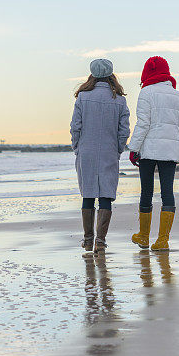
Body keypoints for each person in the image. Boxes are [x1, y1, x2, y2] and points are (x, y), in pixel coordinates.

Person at [71, 59, 130, 253]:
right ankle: (100, 242)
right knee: (106, 195)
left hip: (86, 150)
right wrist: (118, 148)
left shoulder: (83, 97)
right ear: (111, 75)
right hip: (109, 150)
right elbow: (124, 131)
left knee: (87, 194)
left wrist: (77, 147)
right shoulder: (119, 100)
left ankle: (88, 240)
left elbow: (75, 127)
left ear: (92, 74)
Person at [127, 56, 179, 251]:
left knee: (146, 191)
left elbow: (143, 123)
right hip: (169, 151)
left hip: (149, 150)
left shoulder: (146, 93)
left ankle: (144, 236)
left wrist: (133, 148)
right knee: (167, 193)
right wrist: (170, 138)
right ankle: (162, 240)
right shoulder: (178, 96)